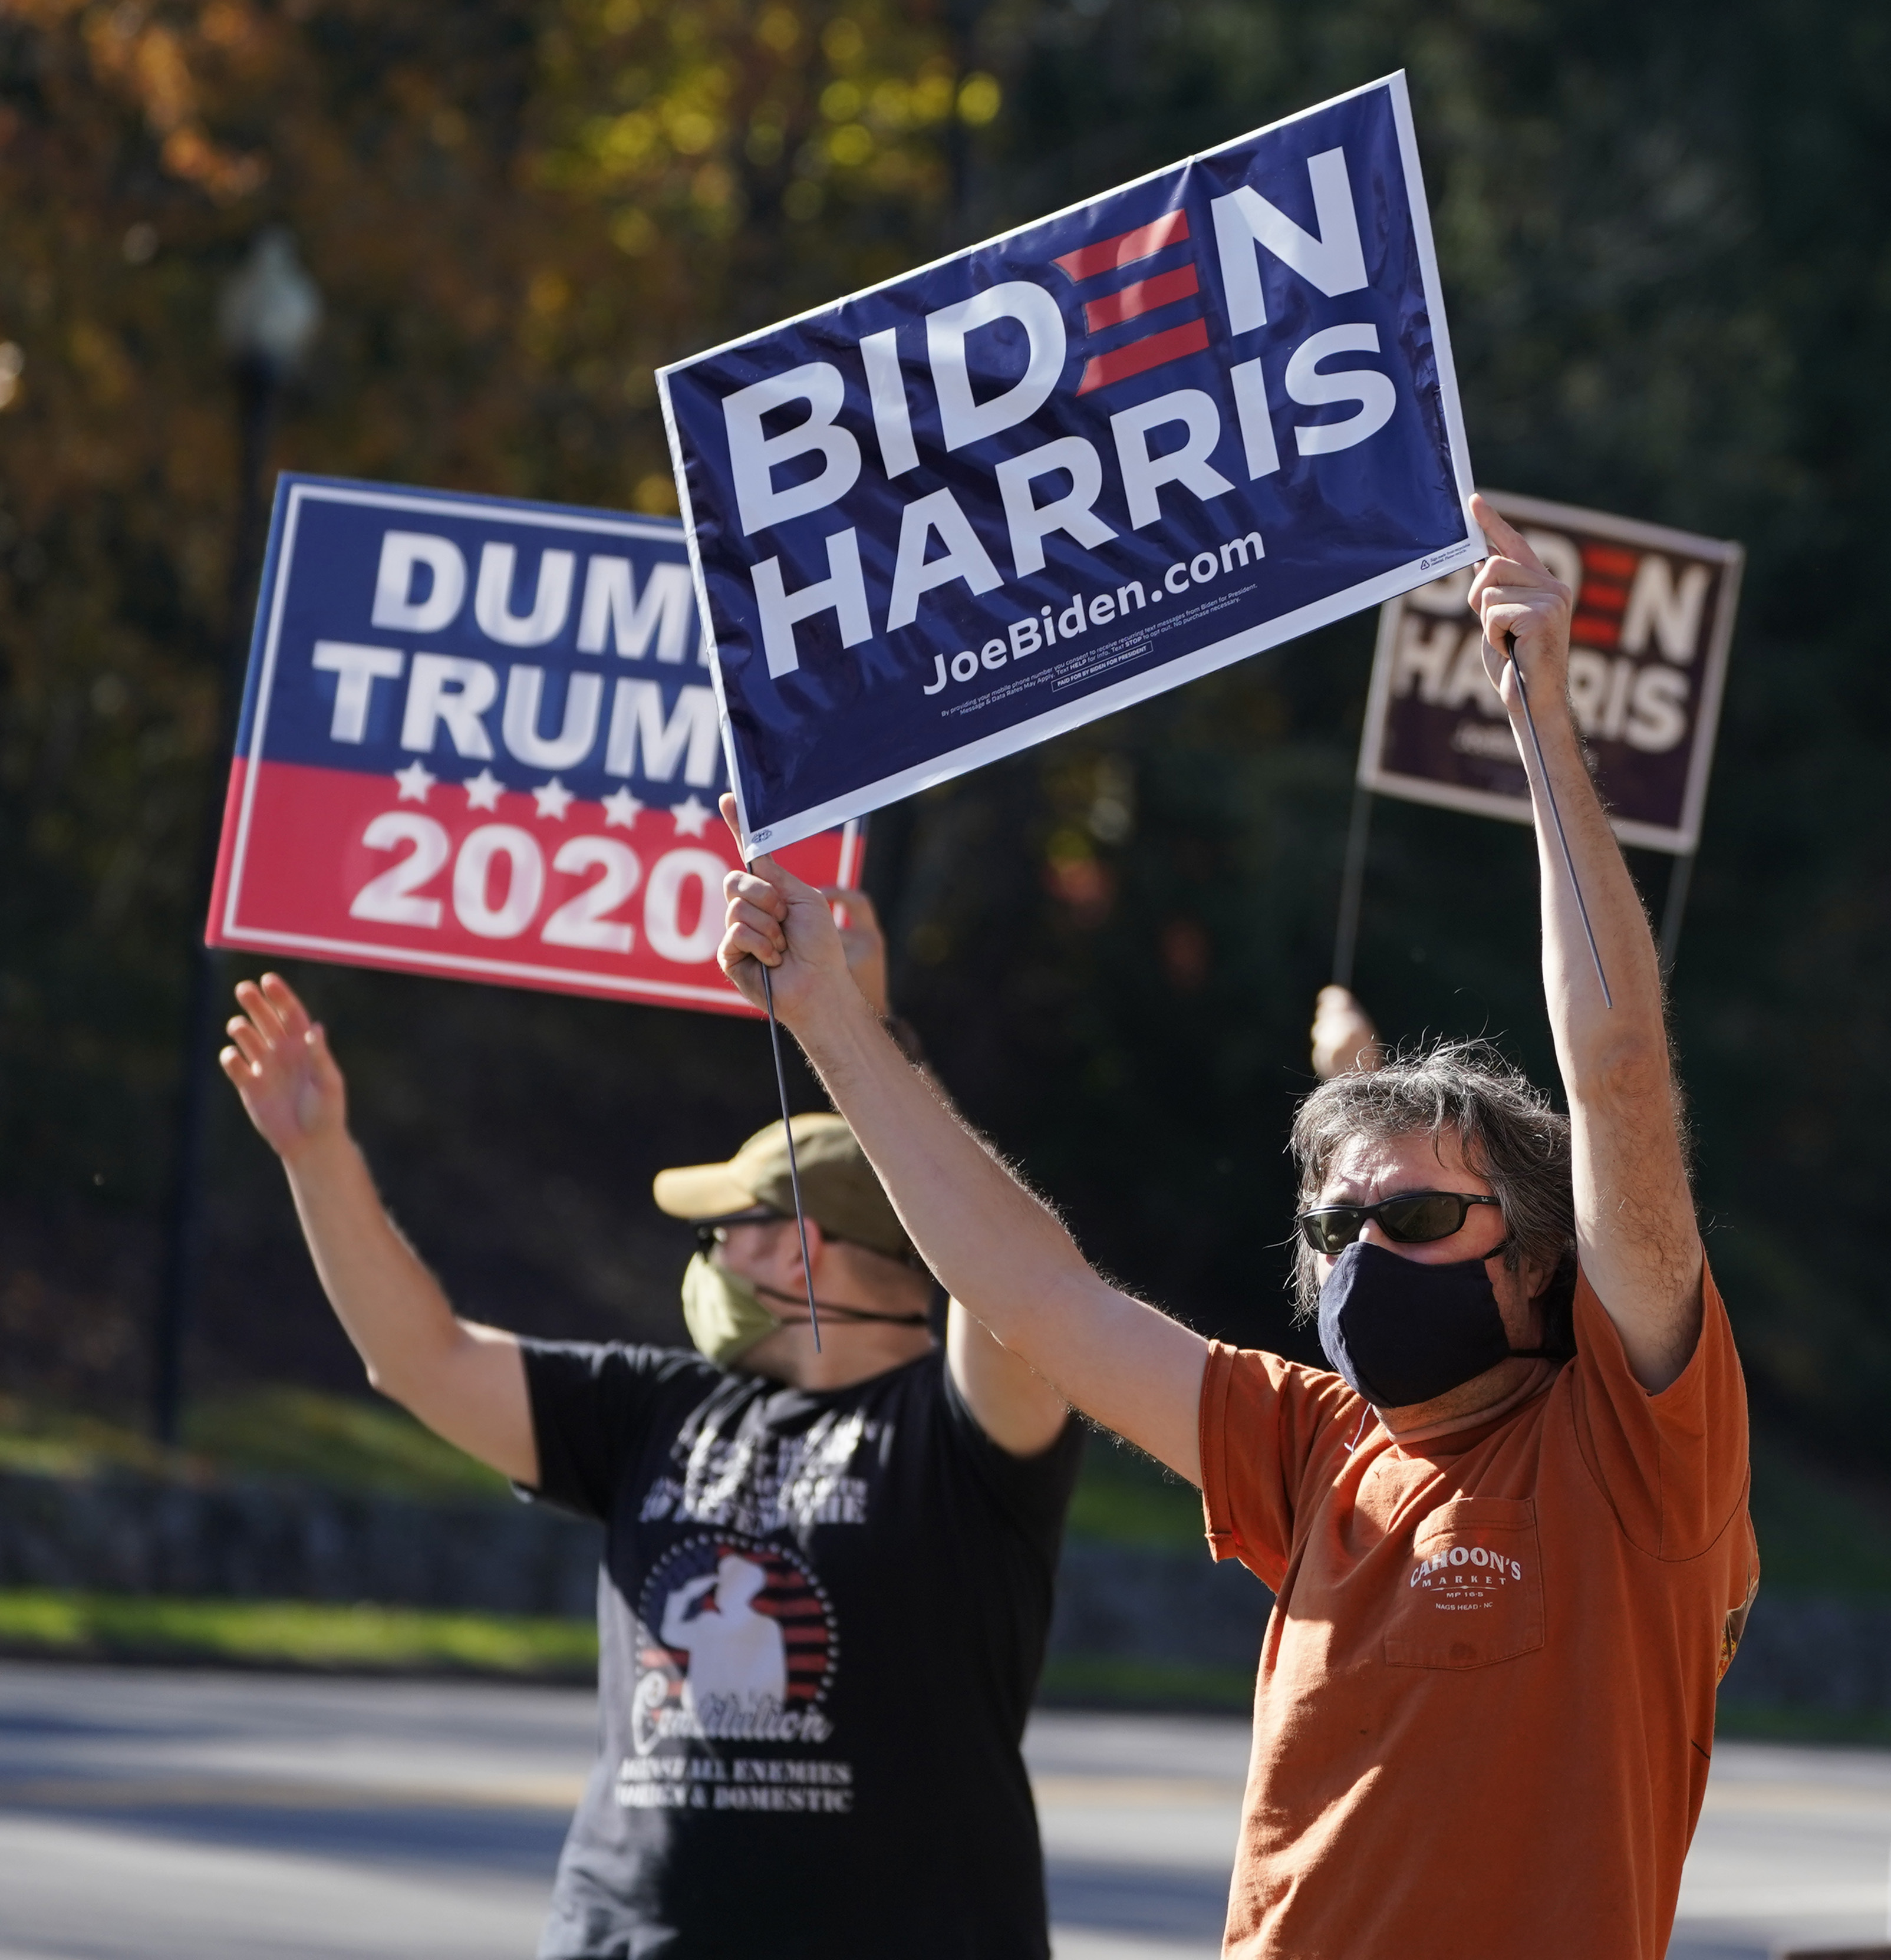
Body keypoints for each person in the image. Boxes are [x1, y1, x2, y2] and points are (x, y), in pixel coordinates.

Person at [713, 496, 1761, 1960]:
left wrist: (1542, 728)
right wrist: (832, 1018)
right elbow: (1033, 1292)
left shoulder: (1640, 1453)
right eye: (1337, 1229)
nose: (1364, 1254)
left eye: (1416, 1216)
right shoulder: (1310, 1445)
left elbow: (1621, 1076)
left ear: (1538, 1264)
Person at [215, 903, 1080, 1960]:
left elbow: (1016, 1286)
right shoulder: (654, 1410)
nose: (708, 1259)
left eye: (728, 1231)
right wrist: (316, 1154)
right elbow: (423, 1360)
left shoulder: (960, 1434)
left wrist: (868, 1032)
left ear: (801, 1249)